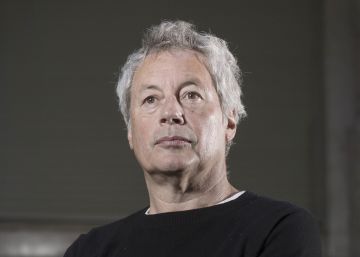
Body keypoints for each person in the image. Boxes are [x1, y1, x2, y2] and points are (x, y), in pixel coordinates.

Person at [64, 20, 321, 257]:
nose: (171, 113)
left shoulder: (279, 229)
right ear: (130, 131)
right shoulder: (90, 250)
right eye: (150, 99)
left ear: (229, 120)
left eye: (191, 95)